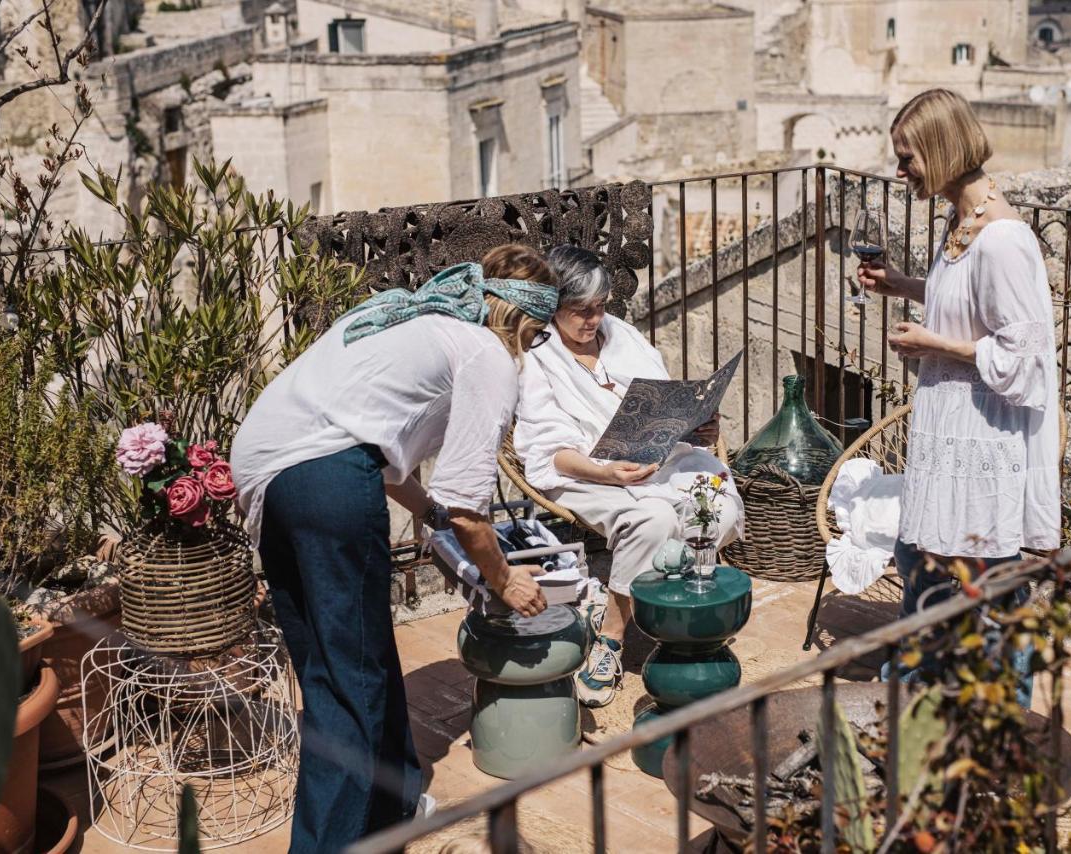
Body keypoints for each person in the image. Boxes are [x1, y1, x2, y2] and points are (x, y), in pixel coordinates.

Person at [229, 245, 559, 852]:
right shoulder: (485, 350)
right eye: (537, 336)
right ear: (518, 320)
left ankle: (394, 801)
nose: (531, 349)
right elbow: (469, 508)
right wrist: (504, 578)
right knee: (349, 688)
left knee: (345, 659)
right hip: (325, 483)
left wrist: (426, 513)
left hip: (268, 479)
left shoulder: (405, 317)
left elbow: (368, 440)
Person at [858, 88, 1061, 706]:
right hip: (951, 429)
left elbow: (1022, 355)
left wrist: (935, 347)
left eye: (908, 157)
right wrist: (904, 285)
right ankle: (924, 709)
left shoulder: (1001, 240)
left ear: (942, 152)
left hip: (983, 436)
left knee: (987, 592)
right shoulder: (962, 221)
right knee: (929, 567)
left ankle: (1001, 729)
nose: (900, 171)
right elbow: (968, 308)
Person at [512, 245, 743, 707]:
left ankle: (676, 617)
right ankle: (612, 637)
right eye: (580, 311)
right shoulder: (538, 357)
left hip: (662, 458)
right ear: (553, 307)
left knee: (712, 507)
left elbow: (664, 401)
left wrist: (698, 426)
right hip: (585, 472)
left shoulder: (624, 336)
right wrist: (604, 472)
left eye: (600, 307)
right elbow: (547, 450)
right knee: (654, 522)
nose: (593, 320)